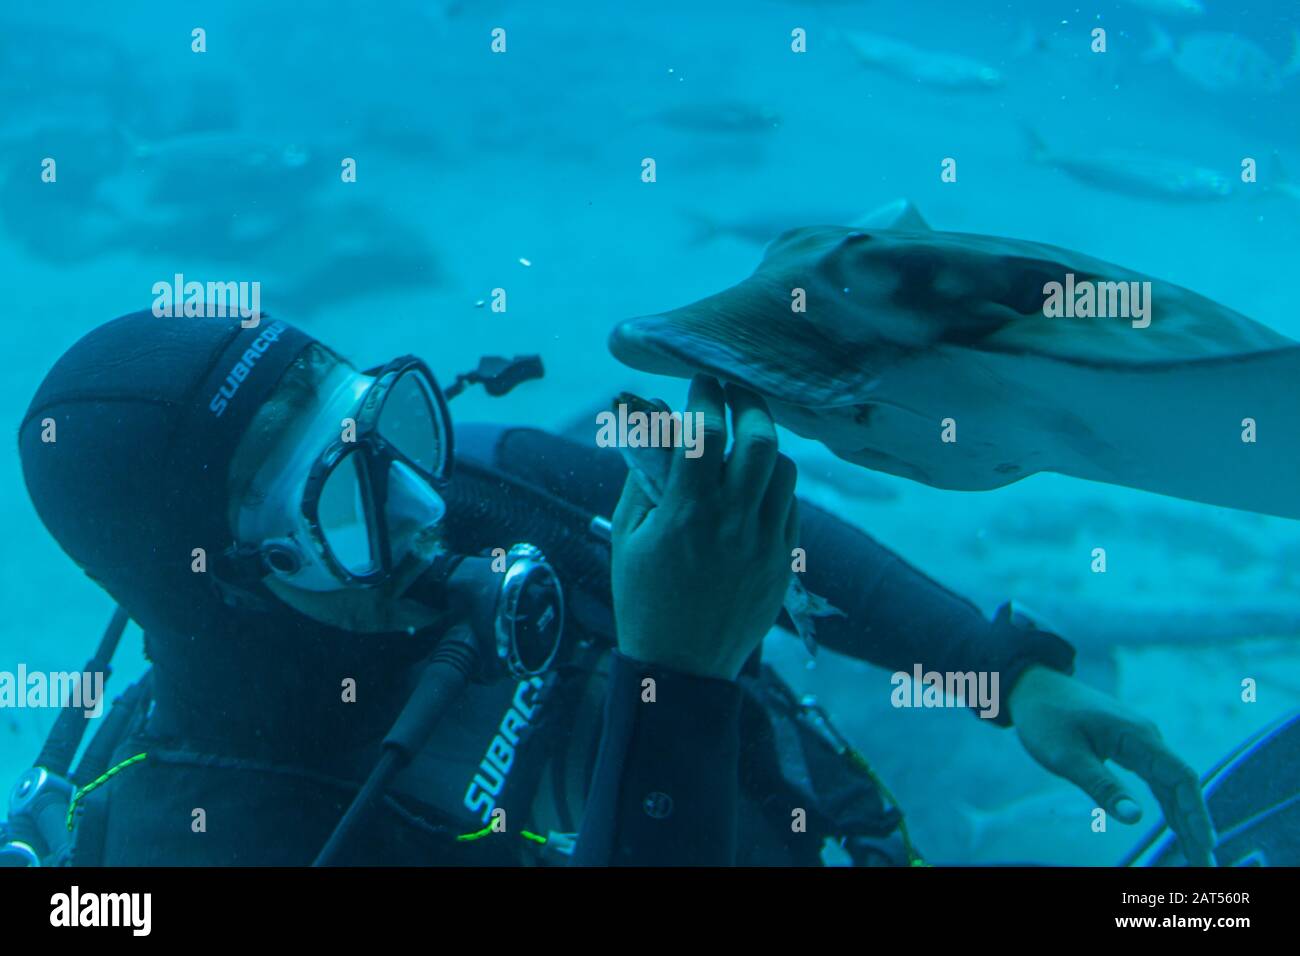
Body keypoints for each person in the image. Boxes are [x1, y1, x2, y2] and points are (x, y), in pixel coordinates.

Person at [15, 310, 1216, 866]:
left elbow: (742, 523)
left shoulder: (481, 484)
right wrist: (679, 684)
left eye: (384, 420)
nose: (424, 503)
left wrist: (1003, 675)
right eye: (336, 495)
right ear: (230, 588)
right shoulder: (249, 837)